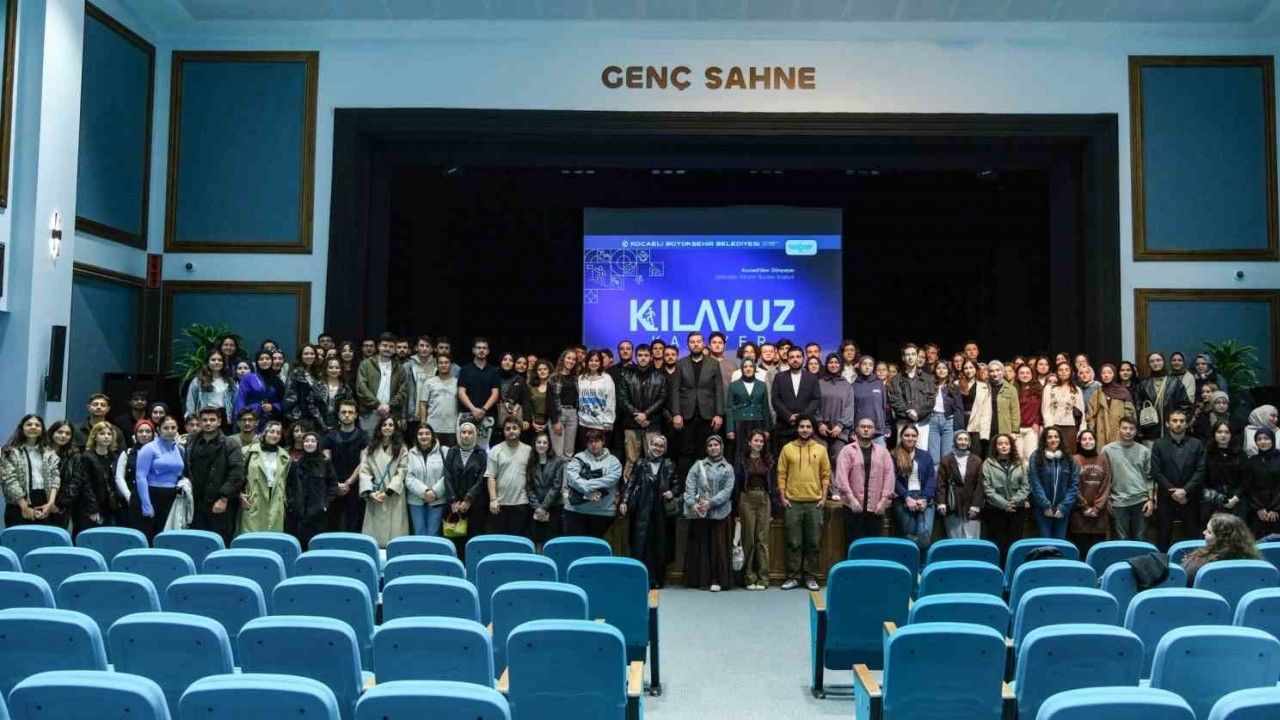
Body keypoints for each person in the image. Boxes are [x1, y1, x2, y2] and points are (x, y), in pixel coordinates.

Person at [777, 416, 830, 591]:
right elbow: (781, 474)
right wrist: (783, 497)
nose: (805, 429)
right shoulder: (787, 449)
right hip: (793, 502)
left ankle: (810, 577)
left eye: (808, 426)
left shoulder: (821, 449)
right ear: (797, 429)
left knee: (813, 542)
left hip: (815, 503)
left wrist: (824, 497)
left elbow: (825, 475)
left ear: (813, 429)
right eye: (802, 426)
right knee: (793, 542)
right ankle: (793, 577)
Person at [186, 406, 247, 545]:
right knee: (198, 543)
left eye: (212, 420)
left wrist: (224, 498)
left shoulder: (230, 444)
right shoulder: (192, 442)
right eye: (204, 420)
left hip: (220, 504)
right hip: (197, 504)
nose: (208, 423)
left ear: (219, 422)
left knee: (220, 543)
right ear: (199, 422)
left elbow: (237, 475)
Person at [682, 435, 735, 592]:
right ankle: (701, 580)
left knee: (718, 549)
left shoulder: (728, 468)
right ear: (706, 449)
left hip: (720, 514)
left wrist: (711, 502)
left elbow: (727, 491)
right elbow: (690, 485)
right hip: (700, 513)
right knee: (702, 547)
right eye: (710, 445)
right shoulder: (698, 465)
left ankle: (717, 580)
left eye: (716, 445)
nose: (713, 448)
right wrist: (692, 503)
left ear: (722, 447)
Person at [1151, 409, 1206, 550]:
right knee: (1163, 537)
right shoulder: (1159, 444)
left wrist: (1184, 491)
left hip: (1190, 497)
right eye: (1174, 421)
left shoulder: (1197, 444)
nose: (1178, 424)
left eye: (1182, 421)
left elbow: (1200, 471)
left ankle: (1194, 562)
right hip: (1166, 496)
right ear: (1167, 423)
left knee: (1193, 536)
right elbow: (1156, 472)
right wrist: (1173, 492)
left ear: (1187, 424)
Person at [673, 332, 726, 477]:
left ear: (703, 344)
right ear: (688, 345)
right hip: (686, 416)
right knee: (685, 452)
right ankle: (685, 487)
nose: (695, 344)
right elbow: (675, 390)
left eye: (698, 341)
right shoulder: (680, 363)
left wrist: (719, 414)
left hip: (707, 416)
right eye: (692, 342)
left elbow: (719, 389)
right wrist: (676, 413)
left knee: (705, 452)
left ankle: (704, 486)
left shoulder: (713, 363)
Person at [834, 417, 895, 541]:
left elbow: (889, 477)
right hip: (853, 506)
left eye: (869, 427)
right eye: (863, 427)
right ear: (857, 429)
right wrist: (851, 500)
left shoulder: (883, 452)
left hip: (876, 507)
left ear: (874, 430)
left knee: (874, 544)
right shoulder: (847, 451)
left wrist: (883, 501)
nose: (866, 429)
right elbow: (841, 478)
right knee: (854, 543)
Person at [618, 344, 669, 482]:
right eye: (640, 355)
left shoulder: (660, 375)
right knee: (631, 459)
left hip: (652, 423)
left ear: (651, 357)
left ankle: (652, 491)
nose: (643, 358)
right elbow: (622, 398)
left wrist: (646, 414)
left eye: (646, 355)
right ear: (635, 357)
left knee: (654, 458)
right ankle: (628, 492)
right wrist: (637, 414)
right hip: (631, 423)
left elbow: (662, 398)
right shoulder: (627, 374)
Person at [358, 415, 410, 547]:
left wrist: (388, 492)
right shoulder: (370, 448)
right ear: (379, 428)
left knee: (395, 536)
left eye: (390, 425)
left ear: (395, 428)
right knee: (374, 537)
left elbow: (402, 472)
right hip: (376, 494)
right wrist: (370, 492)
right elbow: (364, 471)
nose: (387, 427)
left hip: (393, 494)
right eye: (384, 425)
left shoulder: (402, 449)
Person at [733, 430, 775, 590]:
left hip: (764, 498)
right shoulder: (742, 461)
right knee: (749, 539)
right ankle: (749, 577)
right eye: (756, 440)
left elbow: (773, 485)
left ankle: (763, 577)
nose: (759, 443)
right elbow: (736, 486)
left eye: (761, 441)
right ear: (749, 442)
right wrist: (736, 511)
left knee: (762, 540)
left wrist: (774, 508)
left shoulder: (768, 461)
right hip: (747, 498)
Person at [1101, 416, 1155, 541]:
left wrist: (1151, 500)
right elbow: (1104, 477)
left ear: (1136, 431)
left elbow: (1150, 477)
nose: (1128, 431)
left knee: (1140, 540)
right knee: (1121, 541)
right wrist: (1107, 498)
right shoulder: (1107, 450)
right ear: (1118, 429)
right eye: (1125, 428)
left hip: (1141, 500)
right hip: (1118, 501)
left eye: (1132, 428)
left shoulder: (1144, 451)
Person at [1, 415, 60, 528]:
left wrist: (50, 503)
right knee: (18, 537)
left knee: (43, 537)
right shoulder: (9, 451)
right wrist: (24, 507)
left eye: (37, 425)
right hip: (18, 504)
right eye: (29, 424)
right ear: (22, 428)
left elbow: (55, 477)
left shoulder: (49, 453)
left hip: (44, 503)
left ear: (42, 429)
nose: (33, 427)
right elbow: (9, 480)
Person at [133, 415, 185, 540]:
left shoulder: (180, 449)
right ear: (158, 429)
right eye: (166, 428)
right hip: (152, 495)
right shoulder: (149, 448)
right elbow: (140, 477)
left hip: (172, 496)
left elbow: (180, 473)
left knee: (167, 536)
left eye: (173, 428)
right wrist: (146, 504)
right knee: (149, 536)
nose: (170, 431)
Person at [563, 428, 621, 538]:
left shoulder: (613, 461)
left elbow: (612, 479)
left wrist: (587, 485)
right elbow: (572, 478)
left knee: (595, 547)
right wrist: (588, 491)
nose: (593, 444)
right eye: (590, 442)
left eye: (597, 441)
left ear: (603, 442)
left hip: (603, 512)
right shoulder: (578, 458)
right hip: (575, 511)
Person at [980, 433, 1028, 566]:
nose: (1003, 446)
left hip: (1017, 509)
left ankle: (1013, 570)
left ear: (1011, 446)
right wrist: (1004, 504)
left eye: (1006, 443)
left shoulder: (1020, 463)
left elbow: (1026, 485)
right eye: (1000, 444)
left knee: (1015, 544)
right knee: (998, 544)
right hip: (995, 510)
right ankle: (999, 570)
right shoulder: (988, 464)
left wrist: (1014, 501)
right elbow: (987, 488)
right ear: (995, 447)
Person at [286, 430, 338, 550]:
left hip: (318, 512)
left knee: (317, 545)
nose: (309, 444)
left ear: (318, 444)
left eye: (313, 441)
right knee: (299, 546)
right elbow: (289, 485)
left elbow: (333, 485)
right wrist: (291, 502)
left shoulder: (325, 463)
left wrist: (325, 504)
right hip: (299, 513)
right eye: (307, 441)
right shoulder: (296, 464)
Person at [444, 420, 489, 555]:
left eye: (470, 432)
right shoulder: (452, 451)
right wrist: (453, 500)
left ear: (475, 435)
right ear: (459, 434)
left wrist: (468, 499)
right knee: (456, 541)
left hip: (475, 504)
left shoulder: (481, 454)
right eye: (463, 432)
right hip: (455, 505)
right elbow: (447, 476)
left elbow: (482, 479)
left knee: (473, 539)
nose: (466, 435)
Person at [890, 425, 936, 555]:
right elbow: (893, 479)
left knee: (924, 536)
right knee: (908, 536)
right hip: (903, 498)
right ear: (901, 437)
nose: (910, 438)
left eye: (913, 436)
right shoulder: (893, 455)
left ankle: (923, 566)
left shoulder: (925, 456)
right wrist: (907, 497)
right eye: (907, 435)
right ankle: (908, 565)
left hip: (923, 497)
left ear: (917, 438)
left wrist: (925, 498)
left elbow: (931, 478)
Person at [1027, 427, 1080, 539]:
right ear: (1044, 440)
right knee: (1045, 541)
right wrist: (1046, 505)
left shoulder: (1069, 459)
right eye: (1049, 437)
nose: (1053, 440)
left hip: (1062, 510)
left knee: (1060, 541)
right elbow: (1034, 482)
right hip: (1042, 509)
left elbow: (1074, 485)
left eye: (1056, 437)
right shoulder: (1036, 457)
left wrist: (1063, 507)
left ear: (1060, 439)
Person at [238, 421, 290, 535]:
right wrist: (239, 495)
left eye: (278, 433)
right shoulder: (248, 451)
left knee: (273, 537)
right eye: (272, 431)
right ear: (264, 433)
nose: (275, 435)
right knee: (251, 536)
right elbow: (238, 476)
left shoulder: (285, 457)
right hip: (254, 498)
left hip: (275, 499)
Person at [325, 399, 369, 533]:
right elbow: (327, 462)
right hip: (333, 486)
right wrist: (336, 484)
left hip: (355, 486)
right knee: (331, 525)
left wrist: (348, 482)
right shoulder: (329, 437)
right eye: (343, 412)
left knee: (354, 525)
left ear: (356, 415)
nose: (347, 415)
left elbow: (363, 462)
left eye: (350, 412)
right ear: (338, 415)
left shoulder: (363, 436)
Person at [1181, 513, 1262, 585]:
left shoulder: (1196, 566)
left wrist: (1189, 563)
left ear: (1221, 540)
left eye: (1209, 532)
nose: (1204, 532)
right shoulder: (1257, 564)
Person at [485, 418, 533, 536]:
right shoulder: (495, 450)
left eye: (514, 428)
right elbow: (491, 476)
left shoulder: (529, 450)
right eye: (508, 429)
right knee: (500, 541)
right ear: (503, 431)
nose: (511, 431)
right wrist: (493, 499)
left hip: (522, 502)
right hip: (500, 503)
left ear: (520, 430)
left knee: (518, 540)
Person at [771, 346, 821, 455]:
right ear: (788, 359)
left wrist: (802, 417)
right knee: (784, 459)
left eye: (798, 357)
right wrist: (789, 416)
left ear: (803, 358)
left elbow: (816, 399)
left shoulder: (812, 378)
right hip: (784, 427)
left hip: (805, 428)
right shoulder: (779, 377)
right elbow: (775, 399)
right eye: (792, 357)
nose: (795, 360)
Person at [356, 333, 408, 436]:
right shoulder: (366, 364)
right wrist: (377, 404)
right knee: (369, 442)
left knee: (389, 443)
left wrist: (390, 405)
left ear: (394, 349)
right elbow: (361, 388)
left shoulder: (399, 368)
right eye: (385, 345)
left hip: (391, 413)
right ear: (379, 346)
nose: (387, 349)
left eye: (391, 346)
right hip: (370, 412)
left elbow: (403, 391)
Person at [74, 422, 123, 530]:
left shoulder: (114, 457)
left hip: (109, 506)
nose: (106, 437)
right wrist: (92, 508)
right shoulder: (87, 456)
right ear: (94, 436)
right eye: (102, 433)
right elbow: (85, 485)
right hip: (90, 505)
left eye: (109, 434)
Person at [888, 344, 935, 455]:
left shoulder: (928, 378)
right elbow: (895, 400)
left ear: (917, 356)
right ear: (903, 358)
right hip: (903, 421)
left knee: (921, 454)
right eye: (907, 355)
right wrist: (907, 412)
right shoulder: (895, 379)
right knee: (902, 455)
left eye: (913, 354)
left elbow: (931, 400)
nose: (910, 357)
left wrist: (917, 413)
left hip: (922, 422)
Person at [936, 430, 984, 539]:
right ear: (955, 441)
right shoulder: (946, 460)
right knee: (954, 540)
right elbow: (941, 483)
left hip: (971, 506)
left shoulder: (977, 460)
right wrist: (941, 502)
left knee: (972, 540)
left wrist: (976, 505)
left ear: (969, 442)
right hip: (953, 505)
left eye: (966, 439)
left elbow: (980, 485)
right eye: (960, 439)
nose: (963, 442)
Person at [1137, 352, 1192, 445]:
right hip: (1150, 430)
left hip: (1172, 430)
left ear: (1164, 362)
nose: (1155, 363)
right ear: (1149, 364)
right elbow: (1138, 406)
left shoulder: (1175, 382)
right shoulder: (1143, 384)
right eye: (1152, 361)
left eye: (1158, 360)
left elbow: (1185, 405)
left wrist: (1177, 421)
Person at [1070, 429, 1111, 555]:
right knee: (1081, 552)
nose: (1087, 442)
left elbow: (1106, 484)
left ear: (1095, 441)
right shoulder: (1074, 460)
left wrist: (1097, 508)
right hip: (1079, 515)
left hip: (1099, 516)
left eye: (1090, 439)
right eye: (1084, 439)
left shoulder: (1103, 459)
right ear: (1079, 442)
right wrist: (1084, 507)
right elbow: (1073, 486)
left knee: (1097, 553)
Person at [405, 423, 448, 536]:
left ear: (432, 435)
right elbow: (408, 477)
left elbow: (448, 475)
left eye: (427, 433)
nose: (424, 436)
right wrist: (424, 491)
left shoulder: (443, 451)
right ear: (416, 436)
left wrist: (434, 492)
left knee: (433, 533)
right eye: (420, 434)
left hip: (437, 500)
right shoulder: (410, 454)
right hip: (416, 501)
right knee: (419, 532)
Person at [457, 337, 501, 447]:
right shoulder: (464, 370)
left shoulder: (494, 371)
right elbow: (461, 392)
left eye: (484, 348)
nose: (481, 350)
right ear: (473, 350)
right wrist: (473, 409)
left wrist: (483, 409)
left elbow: (495, 393)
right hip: (467, 415)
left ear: (488, 351)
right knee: (465, 447)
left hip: (487, 416)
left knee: (485, 450)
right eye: (478, 348)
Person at [1201, 421, 1245, 528]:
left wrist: (1236, 497)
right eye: (1219, 432)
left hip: (1236, 499)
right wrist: (1217, 498)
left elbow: (1245, 479)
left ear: (1231, 434)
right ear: (1214, 434)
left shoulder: (1240, 454)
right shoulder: (1206, 453)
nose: (1223, 435)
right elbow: (1202, 478)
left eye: (1226, 432)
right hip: (1213, 499)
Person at [816, 354, 857, 469]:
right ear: (826, 364)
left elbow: (849, 407)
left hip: (840, 431)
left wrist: (840, 425)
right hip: (821, 431)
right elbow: (814, 405)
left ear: (840, 365)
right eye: (830, 362)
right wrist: (819, 423)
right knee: (820, 461)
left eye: (836, 362)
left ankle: (836, 482)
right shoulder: (819, 383)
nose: (833, 365)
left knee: (838, 461)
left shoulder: (847, 385)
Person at [526, 432, 565, 548]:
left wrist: (543, 508)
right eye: (539, 442)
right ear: (534, 444)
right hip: (535, 508)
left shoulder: (558, 461)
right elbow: (529, 487)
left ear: (549, 445)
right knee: (535, 541)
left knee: (551, 542)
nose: (541, 445)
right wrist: (538, 508)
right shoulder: (531, 461)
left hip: (553, 506)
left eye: (544, 442)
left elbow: (556, 486)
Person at [576, 350, 617, 454]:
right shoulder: (581, 378)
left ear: (600, 363)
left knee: (600, 454)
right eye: (591, 360)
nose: (593, 363)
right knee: (585, 454)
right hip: (584, 423)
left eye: (596, 360)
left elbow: (611, 400)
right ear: (586, 362)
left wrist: (608, 421)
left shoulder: (606, 378)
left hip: (601, 424)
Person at [233, 350, 285, 432]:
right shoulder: (248, 378)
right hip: (250, 416)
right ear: (257, 362)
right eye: (261, 359)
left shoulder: (278, 381)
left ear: (272, 361)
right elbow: (241, 398)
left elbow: (281, 401)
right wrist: (242, 418)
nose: (264, 361)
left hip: (269, 419)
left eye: (267, 358)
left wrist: (272, 407)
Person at [1242, 427, 1280, 537]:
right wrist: (1258, 508)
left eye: (1266, 438)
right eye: (1259, 439)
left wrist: (1276, 509)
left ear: (1272, 440)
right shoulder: (1252, 461)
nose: (1262, 442)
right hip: (1258, 512)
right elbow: (1248, 487)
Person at [1086, 364, 1135, 447]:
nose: (1106, 375)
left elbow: (1130, 415)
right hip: (1101, 434)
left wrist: (1129, 431)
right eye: (1103, 373)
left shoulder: (1123, 392)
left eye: (1109, 372)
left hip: (1119, 433)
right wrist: (1091, 432)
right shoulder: (1096, 394)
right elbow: (1090, 415)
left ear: (1114, 374)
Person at [1042, 362, 1085, 454]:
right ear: (1057, 372)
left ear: (1070, 372)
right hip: (1054, 426)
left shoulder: (1076, 390)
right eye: (1060, 370)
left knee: (1070, 454)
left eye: (1066, 370)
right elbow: (1046, 410)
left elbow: (1081, 411)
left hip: (1071, 427)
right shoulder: (1050, 388)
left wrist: (1082, 429)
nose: (1063, 372)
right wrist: (1050, 427)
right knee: (1054, 454)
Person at [926, 361, 964, 464]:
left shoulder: (953, 387)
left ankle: (945, 475)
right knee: (933, 457)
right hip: (933, 420)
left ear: (948, 371)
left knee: (947, 456)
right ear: (935, 371)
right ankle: (934, 475)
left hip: (948, 421)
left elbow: (959, 408)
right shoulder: (930, 386)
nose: (941, 370)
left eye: (944, 368)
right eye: (939, 368)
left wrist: (958, 428)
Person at [46, 422, 80, 531]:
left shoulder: (74, 456)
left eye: (67, 433)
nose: (63, 436)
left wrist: (59, 505)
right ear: (52, 433)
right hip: (40, 502)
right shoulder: (42, 451)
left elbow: (75, 483)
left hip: (61, 507)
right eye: (60, 432)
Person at [422, 354, 460, 447]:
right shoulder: (429, 383)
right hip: (433, 427)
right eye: (441, 363)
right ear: (437, 365)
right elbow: (423, 404)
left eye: (446, 362)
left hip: (452, 428)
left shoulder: (458, 383)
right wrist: (423, 425)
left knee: (450, 454)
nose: (443, 365)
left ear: (451, 365)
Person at [852, 355, 890, 447]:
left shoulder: (879, 384)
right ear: (860, 366)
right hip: (860, 432)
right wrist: (852, 430)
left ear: (873, 367)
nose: (867, 367)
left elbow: (885, 408)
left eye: (870, 364)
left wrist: (887, 427)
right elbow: (851, 410)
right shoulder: (854, 386)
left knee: (880, 456)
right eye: (864, 364)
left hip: (878, 431)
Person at [548, 350, 580, 459]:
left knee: (569, 451)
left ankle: (567, 471)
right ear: (563, 359)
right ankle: (558, 470)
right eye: (569, 358)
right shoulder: (553, 378)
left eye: (574, 359)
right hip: (559, 414)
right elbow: (550, 401)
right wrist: (554, 421)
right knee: (558, 451)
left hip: (573, 414)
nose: (571, 361)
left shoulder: (576, 378)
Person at [283, 344, 322, 427]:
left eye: (312, 353)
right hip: (299, 419)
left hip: (312, 418)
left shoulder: (315, 373)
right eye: (306, 354)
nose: (309, 356)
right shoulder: (296, 373)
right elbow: (289, 399)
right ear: (300, 356)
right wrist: (297, 420)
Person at [495, 352, 529, 448]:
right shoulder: (494, 376)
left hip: (513, 416)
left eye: (510, 360)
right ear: (500, 362)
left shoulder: (519, 379)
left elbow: (525, 399)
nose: (507, 362)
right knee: (497, 444)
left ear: (513, 363)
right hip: (495, 415)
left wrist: (526, 419)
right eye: (505, 359)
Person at [313, 357, 354, 433]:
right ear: (326, 369)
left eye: (337, 368)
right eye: (331, 367)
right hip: (318, 423)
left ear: (341, 370)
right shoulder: (318, 385)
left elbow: (349, 406)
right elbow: (312, 406)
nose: (334, 370)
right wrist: (321, 423)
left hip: (340, 424)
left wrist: (341, 422)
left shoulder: (346, 388)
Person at [959, 360, 991, 457]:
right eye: (966, 368)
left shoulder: (984, 386)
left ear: (976, 369)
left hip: (976, 423)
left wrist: (984, 432)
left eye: (971, 367)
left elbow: (986, 411)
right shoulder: (957, 384)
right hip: (961, 421)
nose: (968, 370)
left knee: (975, 455)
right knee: (960, 453)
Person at [986, 360, 1020, 444]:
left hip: (1004, 429)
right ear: (988, 373)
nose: (995, 373)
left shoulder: (1011, 389)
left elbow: (1015, 411)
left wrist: (1015, 431)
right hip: (987, 429)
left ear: (1002, 371)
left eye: (998, 370)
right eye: (991, 371)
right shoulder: (983, 387)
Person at [1014, 364, 1043, 461]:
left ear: (1032, 374)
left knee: (1031, 456)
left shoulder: (1038, 389)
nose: (1025, 375)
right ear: (1017, 375)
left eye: (1027, 373)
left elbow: (1041, 409)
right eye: (1022, 373)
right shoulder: (1013, 389)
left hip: (1031, 428)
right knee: (1019, 457)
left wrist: (1037, 422)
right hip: (1017, 429)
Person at [522, 359, 555, 446]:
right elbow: (528, 406)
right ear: (536, 372)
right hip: (533, 423)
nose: (542, 371)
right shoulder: (531, 387)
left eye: (545, 369)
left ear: (549, 371)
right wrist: (533, 422)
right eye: (539, 369)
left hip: (549, 423)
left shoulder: (553, 387)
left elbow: (555, 407)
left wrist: (547, 424)